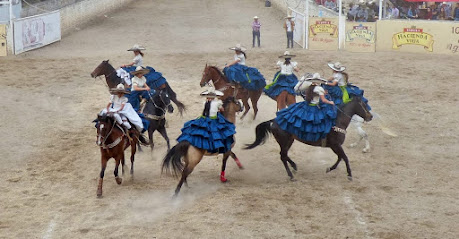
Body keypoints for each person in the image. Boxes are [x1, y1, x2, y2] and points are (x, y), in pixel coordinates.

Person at [275, 73, 336, 142]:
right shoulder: (320, 88)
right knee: (318, 121)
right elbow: (324, 100)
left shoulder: (310, 87)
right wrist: (331, 102)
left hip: (306, 105)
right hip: (314, 107)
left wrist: (322, 93)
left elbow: (300, 90)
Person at [176, 88, 236, 154]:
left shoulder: (204, 102)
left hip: (203, 118)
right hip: (213, 120)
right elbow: (222, 110)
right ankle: (218, 147)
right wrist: (218, 110)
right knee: (219, 132)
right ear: (214, 97)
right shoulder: (217, 103)